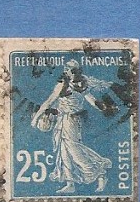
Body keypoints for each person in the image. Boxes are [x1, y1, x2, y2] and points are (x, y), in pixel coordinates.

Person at [31, 60, 113, 194]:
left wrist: (102, 107)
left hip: (73, 120)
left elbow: (90, 99)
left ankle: (100, 173)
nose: (74, 73)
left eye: (76, 71)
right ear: (67, 71)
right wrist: (36, 118)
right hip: (63, 119)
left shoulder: (81, 84)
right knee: (63, 152)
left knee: (75, 150)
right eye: (71, 71)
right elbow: (49, 102)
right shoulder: (62, 85)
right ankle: (70, 183)